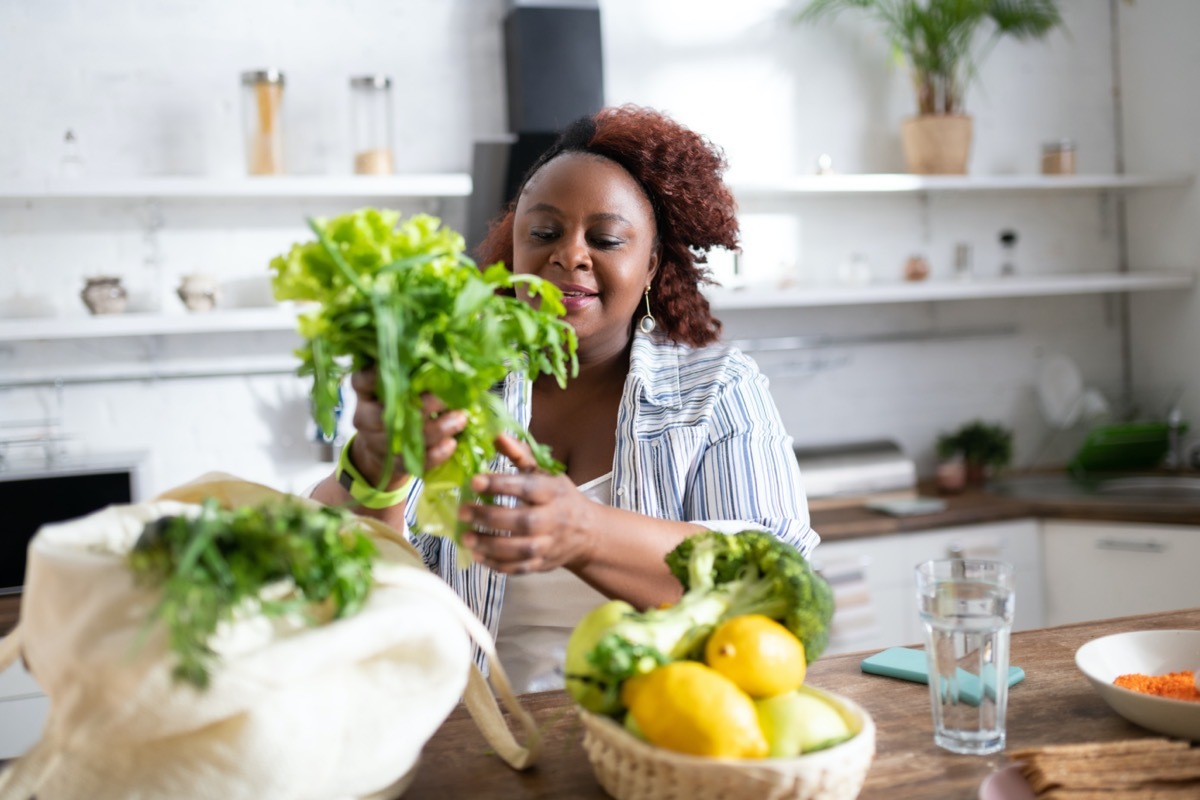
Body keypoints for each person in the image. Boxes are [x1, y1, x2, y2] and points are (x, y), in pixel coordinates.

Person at [311, 104, 816, 693]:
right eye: (544, 233)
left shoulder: (716, 389)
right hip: (473, 741)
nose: (569, 255)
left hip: (660, 735)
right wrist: (378, 467)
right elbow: (332, 580)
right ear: (515, 252)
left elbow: (778, 581)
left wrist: (584, 531)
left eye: (605, 238)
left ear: (651, 264)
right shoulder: (456, 380)